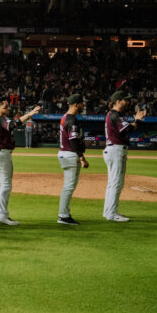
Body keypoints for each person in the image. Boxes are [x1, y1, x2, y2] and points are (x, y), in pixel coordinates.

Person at [0, 100, 42, 225]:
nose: (8, 108)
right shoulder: (0, 119)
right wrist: (30, 113)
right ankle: (3, 215)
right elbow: (13, 124)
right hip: (1, 153)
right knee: (5, 185)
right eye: (6, 107)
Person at [103, 90, 147, 222]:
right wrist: (137, 121)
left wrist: (135, 121)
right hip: (116, 150)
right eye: (125, 99)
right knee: (116, 183)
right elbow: (127, 129)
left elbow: (126, 128)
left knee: (113, 184)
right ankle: (111, 214)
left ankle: (109, 211)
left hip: (113, 150)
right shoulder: (115, 115)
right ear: (118, 101)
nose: (127, 102)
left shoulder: (114, 114)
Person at [57, 93, 88, 226]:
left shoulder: (65, 117)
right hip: (70, 154)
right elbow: (73, 140)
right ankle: (63, 215)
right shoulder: (71, 120)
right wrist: (82, 157)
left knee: (69, 186)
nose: (83, 105)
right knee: (69, 187)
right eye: (82, 103)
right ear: (76, 104)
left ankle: (64, 214)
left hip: (65, 153)